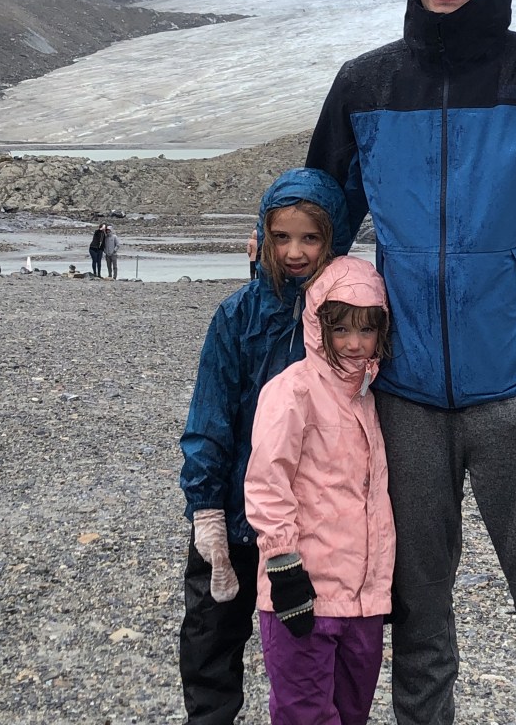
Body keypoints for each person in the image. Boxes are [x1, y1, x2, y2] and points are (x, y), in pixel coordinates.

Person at [306, 0, 516, 725]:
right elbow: (322, 221)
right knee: (419, 609)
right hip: (400, 398)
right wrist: (313, 353)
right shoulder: (366, 84)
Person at [179, 168, 351, 725]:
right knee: (212, 638)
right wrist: (206, 508)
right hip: (233, 514)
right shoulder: (236, 316)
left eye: (311, 238)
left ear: (333, 240)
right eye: (281, 237)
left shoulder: (344, 317)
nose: (296, 252)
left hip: (312, 522)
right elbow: (210, 415)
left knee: (305, 646)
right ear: (263, 235)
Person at [245, 254, 395, 725]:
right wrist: (284, 568)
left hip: (362, 602)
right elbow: (268, 481)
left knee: (352, 713)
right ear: (318, 324)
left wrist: (380, 589)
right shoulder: (292, 391)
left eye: (366, 330)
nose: (354, 343)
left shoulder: (370, 397)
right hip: (302, 593)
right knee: (304, 715)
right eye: (342, 329)